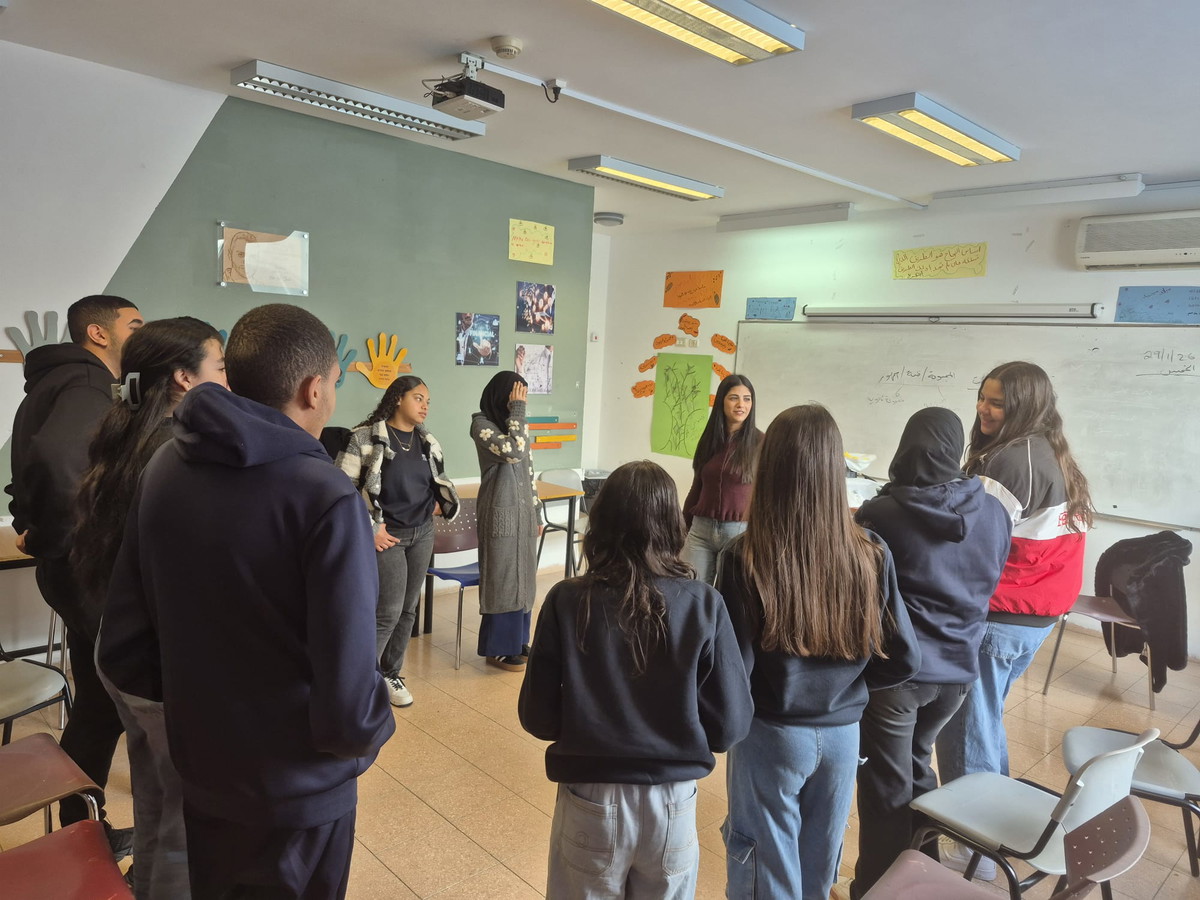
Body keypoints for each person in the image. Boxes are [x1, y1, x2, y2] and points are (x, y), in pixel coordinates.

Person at [98, 303, 395, 900]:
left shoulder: (166, 462)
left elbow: (129, 630)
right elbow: (347, 697)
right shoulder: (325, 497)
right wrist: (372, 725)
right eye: (335, 383)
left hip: (205, 769)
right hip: (297, 790)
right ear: (313, 389)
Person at [519, 460, 753, 899]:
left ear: (600, 522)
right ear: (673, 526)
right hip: (673, 803)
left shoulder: (566, 600)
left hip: (590, 797)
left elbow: (538, 718)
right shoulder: (704, 603)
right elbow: (730, 726)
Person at [715, 404, 920, 900]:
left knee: (765, 872)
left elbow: (732, 670)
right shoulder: (871, 551)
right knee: (818, 871)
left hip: (772, 734)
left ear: (769, 468)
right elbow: (904, 657)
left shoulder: (744, 557)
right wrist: (845, 689)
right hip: (844, 736)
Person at [73, 317, 227, 899]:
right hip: (160, 666)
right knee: (183, 814)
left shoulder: (132, 436)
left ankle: (147, 881)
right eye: (221, 367)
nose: (229, 380)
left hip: (123, 652)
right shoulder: (179, 453)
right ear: (185, 378)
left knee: (157, 795)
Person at [935, 360, 1093, 880]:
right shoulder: (1049, 450)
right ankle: (994, 823)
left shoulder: (1011, 458)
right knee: (984, 720)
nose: (984, 409)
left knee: (965, 730)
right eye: (982, 397)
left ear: (1024, 406)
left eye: (997, 403)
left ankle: (974, 852)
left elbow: (973, 542)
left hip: (1003, 615)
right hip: (1036, 613)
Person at [847, 408, 1012, 898]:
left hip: (898, 676)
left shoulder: (882, 513)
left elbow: (859, 587)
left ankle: (876, 890)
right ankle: (923, 875)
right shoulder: (995, 512)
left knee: (885, 786)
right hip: (958, 674)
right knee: (918, 766)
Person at [5, 294, 143, 847]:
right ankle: (93, 832)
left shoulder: (53, 382)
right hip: (88, 572)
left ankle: (83, 829)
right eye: (135, 324)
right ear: (98, 333)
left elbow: (31, 468)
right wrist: (53, 537)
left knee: (98, 706)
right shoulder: (87, 383)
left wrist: (36, 529)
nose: (143, 333)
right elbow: (55, 462)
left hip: (71, 572)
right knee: (123, 703)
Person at [337, 376, 460, 708]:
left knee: (408, 609)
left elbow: (438, 480)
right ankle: (361, 683)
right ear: (397, 399)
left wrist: (441, 502)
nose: (425, 406)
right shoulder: (363, 438)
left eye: (428, 401)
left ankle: (390, 673)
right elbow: (341, 490)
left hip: (422, 533)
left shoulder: (427, 441)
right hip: (387, 536)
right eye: (418, 398)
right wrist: (370, 528)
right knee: (387, 612)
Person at [470, 370, 538, 671]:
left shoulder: (516, 426)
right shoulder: (481, 425)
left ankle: (518, 641)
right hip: (500, 515)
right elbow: (514, 452)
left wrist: (535, 512)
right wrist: (518, 412)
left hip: (524, 516)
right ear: (503, 396)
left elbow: (529, 470)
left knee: (524, 578)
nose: (520, 402)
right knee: (503, 578)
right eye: (515, 396)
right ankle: (497, 648)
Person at [681, 374, 762, 585]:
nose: (741, 404)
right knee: (690, 589)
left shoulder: (761, 442)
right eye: (734, 398)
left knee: (729, 597)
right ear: (721, 402)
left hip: (738, 533)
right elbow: (697, 488)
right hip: (701, 530)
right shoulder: (709, 439)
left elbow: (766, 495)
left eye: (747, 399)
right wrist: (681, 527)